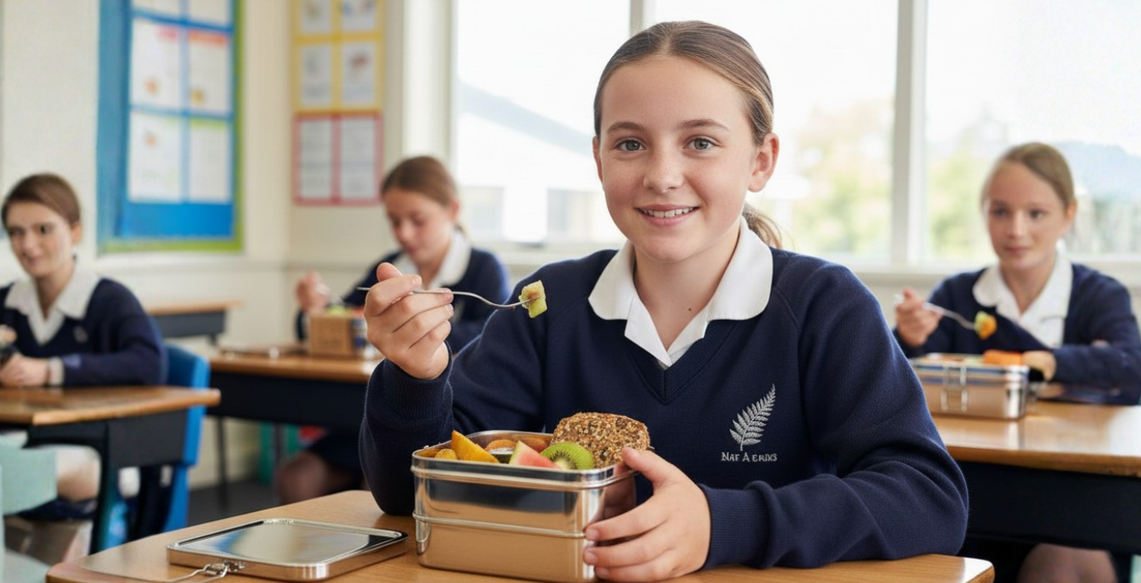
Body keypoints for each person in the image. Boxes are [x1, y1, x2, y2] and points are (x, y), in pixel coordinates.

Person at [358, 20, 968, 582]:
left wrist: (722, 524)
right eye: (630, 144)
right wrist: (418, 377)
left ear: (761, 160)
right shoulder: (551, 303)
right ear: (598, 158)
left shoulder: (824, 306)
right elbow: (408, 493)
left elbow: (929, 499)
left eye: (700, 142)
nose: (662, 174)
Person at [893, 142, 1141, 583]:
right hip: (978, 499)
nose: (1016, 230)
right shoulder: (957, 298)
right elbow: (902, 386)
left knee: (1064, 564)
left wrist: (1048, 363)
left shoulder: (1099, 296)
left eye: (1035, 214)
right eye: (1000, 212)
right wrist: (906, 339)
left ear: (1068, 215)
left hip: (1078, 502)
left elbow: (1130, 369)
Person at [0, 173, 163, 552]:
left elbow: (148, 364)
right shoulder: (6, 302)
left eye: (43, 229)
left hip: (92, 456)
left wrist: (51, 370)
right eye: (16, 232)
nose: (28, 245)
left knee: (9, 471)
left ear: (75, 232)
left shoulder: (109, 300)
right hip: (12, 447)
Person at [278, 155, 508, 503]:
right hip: (370, 416)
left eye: (417, 220)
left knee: (383, 485)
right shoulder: (388, 269)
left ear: (452, 210)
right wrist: (315, 311)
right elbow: (345, 314)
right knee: (296, 476)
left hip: (441, 420)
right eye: (394, 221)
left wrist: (421, 338)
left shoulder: (482, 268)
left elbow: (490, 336)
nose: (404, 233)